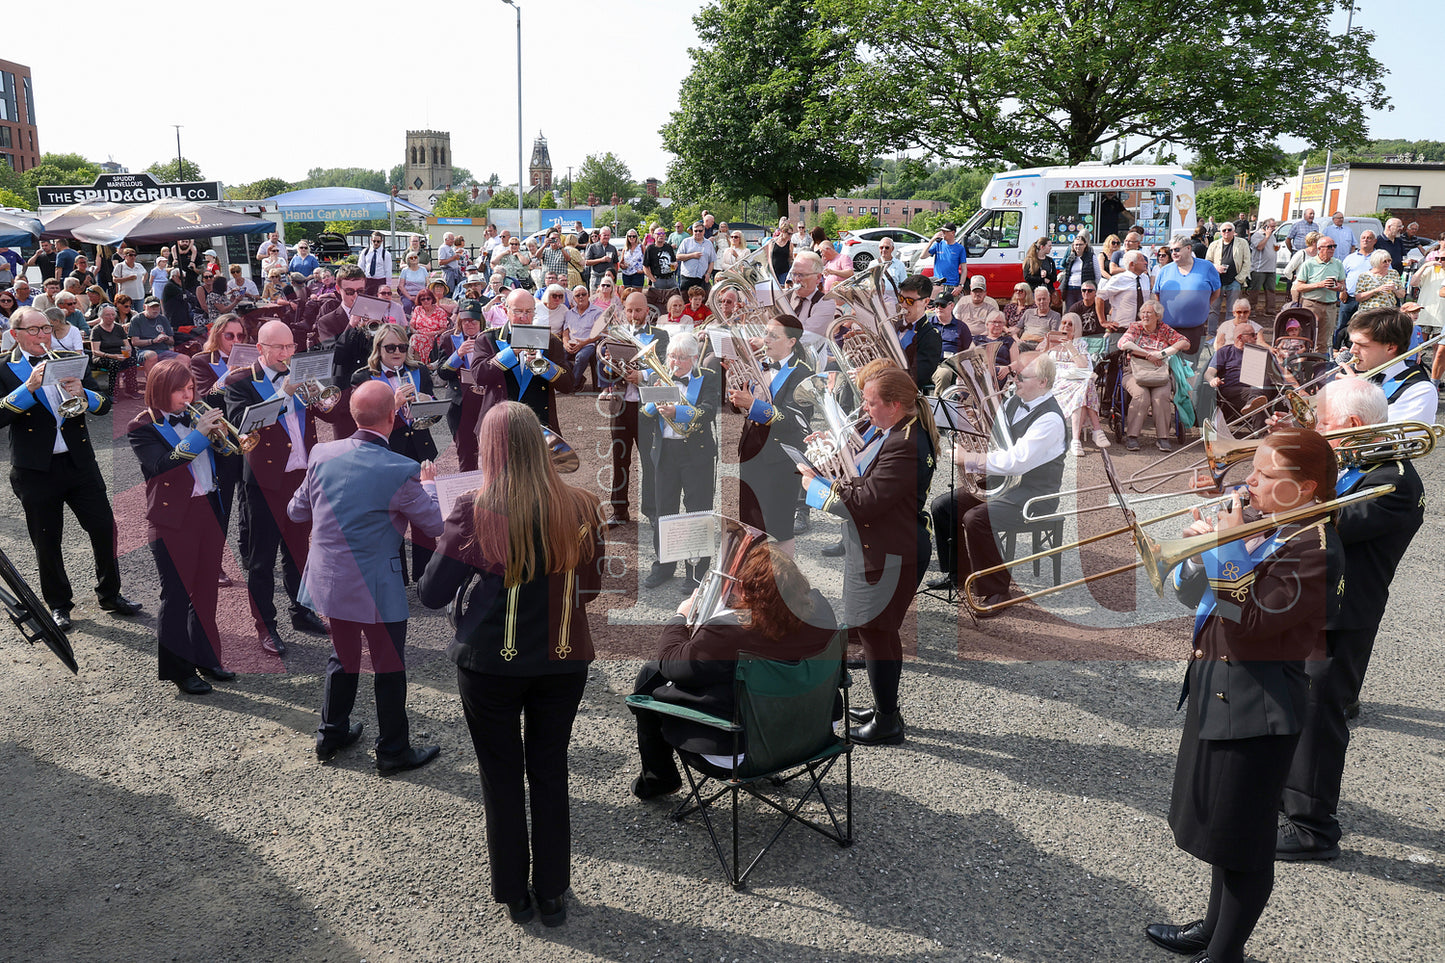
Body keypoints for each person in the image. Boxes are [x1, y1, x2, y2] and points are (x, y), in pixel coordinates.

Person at [1146, 428, 1342, 963]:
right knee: (1220, 832)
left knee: (1244, 845)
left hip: (1259, 708)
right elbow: (1196, 596)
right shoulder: (1266, 523)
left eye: (1264, 475)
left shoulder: (1315, 546)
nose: (1248, 482)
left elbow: (1252, 622)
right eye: (1252, 470)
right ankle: (1212, 931)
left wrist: (1229, 546)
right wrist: (1198, 550)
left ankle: (1225, 953)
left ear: (1303, 488)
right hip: (1220, 686)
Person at [417, 402, 605, 929]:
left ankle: (514, 894)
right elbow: (588, 589)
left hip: (490, 661)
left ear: (492, 450)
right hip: (562, 656)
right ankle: (551, 893)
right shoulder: (584, 505)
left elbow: (432, 594)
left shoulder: (475, 509)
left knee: (500, 775)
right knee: (549, 769)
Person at [1276, 379, 1424, 861]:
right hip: (1313, 603)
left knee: (1321, 718)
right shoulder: (1361, 462)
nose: (1316, 428)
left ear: (1354, 425)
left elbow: (1326, 524)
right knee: (1295, 706)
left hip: (1343, 615)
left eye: (1323, 421)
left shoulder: (1394, 481)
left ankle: (1313, 830)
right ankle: (1288, 794)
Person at [288, 380, 443, 773]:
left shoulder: (322, 453)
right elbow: (434, 523)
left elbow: (296, 512)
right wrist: (430, 487)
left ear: (355, 415)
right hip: (376, 583)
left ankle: (331, 732)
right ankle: (392, 749)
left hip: (328, 577)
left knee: (342, 658)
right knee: (389, 666)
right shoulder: (400, 468)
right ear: (393, 417)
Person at [630, 544, 836, 797]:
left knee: (650, 677)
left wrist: (680, 617)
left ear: (747, 590)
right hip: (815, 732)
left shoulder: (728, 634)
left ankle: (659, 780)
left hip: (741, 753)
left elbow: (672, 663)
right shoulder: (821, 611)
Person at [801, 364, 937, 745]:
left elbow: (864, 503)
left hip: (888, 552)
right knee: (880, 633)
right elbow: (863, 474)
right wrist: (829, 458)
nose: (864, 408)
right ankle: (884, 709)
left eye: (871, 402)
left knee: (878, 635)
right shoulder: (896, 430)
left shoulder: (905, 443)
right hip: (884, 546)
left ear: (895, 405)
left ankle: (888, 721)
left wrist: (815, 487)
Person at [0, 308, 141, 630]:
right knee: (47, 540)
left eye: (46, 329)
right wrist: (28, 389)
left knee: (104, 527)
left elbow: (104, 405)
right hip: (35, 469)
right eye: (34, 330)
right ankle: (59, 604)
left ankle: (110, 594)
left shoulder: (69, 357)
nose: (42, 336)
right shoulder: (6, 367)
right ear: (15, 333)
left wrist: (85, 393)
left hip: (79, 463)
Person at [222, 319, 340, 656]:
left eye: (290, 347)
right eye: (279, 348)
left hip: (301, 478)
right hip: (264, 482)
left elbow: (331, 415)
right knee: (261, 561)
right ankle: (266, 625)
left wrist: (320, 396)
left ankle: (301, 610)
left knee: (299, 551)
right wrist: (281, 393)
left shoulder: (300, 374)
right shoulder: (241, 380)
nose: (287, 354)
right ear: (260, 348)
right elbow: (241, 423)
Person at [126, 360, 235, 695]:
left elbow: (225, 459)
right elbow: (161, 466)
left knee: (206, 590)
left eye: (191, 388)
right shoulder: (142, 426)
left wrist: (223, 439)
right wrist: (201, 436)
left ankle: (206, 656)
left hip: (209, 508)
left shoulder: (197, 413)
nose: (188, 395)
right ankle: (178, 669)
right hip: (172, 519)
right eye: (180, 390)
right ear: (161, 390)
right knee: (175, 595)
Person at [927, 354, 1066, 604]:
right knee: (943, 506)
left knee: (976, 519)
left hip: (1035, 494)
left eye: (1021, 376)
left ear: (1043, 382)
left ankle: (997, 590)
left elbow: (1017, 460)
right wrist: (968, 422)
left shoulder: (1051, 419)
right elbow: (993, 437)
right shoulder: (1013, 400)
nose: (1014, 380)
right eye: (1014, 375)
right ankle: (960, 574)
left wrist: (970, 458)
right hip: (1006, 485)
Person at [350, 324, 440, 580]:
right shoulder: (364, 377)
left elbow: (434, 409)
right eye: (390, 347)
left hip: (420, 451)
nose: (397, 352)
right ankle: (395, 577)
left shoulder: (419, 370)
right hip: (386, 454)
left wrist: (427, 403)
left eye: (402, 346)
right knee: (390, 518)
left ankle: (427, 577)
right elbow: (363, 421)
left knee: (425, 515)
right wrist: (394, 404)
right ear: (378, 349)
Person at [641, 332, 719, 590]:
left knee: (697, 511)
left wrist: (679, 411)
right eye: (672, 356)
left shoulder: (706, 377)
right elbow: (645, 414)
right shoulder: (657, 376)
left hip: (697, 453)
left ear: (695, 359)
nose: (676, 363)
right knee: (665, 510)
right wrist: (653, 402)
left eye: (683, 358)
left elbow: (708, 411)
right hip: (665, 453)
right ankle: (664, 565)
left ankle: (696, 572)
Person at [727, 314, 811, 554]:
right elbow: (738, 405)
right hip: (752, 452)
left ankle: (782, 584)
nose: (766, 339)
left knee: (779, 525)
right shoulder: (757, 363)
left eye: (774, 336)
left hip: (781, 459)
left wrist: (753, 405)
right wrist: (738, 397)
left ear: (791, 342)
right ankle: (756, 576)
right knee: (751, 521)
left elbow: (796, 420)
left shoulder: (802, 372)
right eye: (766, 333)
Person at [597, 291, 669, 529]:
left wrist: (642, 376)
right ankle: (619, 511)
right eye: (629, 310)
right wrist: (608, 363)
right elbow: (605, 374)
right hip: (620, 405)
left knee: (651, 461)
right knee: (620, 460)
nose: (633, 315)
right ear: (624, 310)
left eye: (638, 310)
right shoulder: (617, 335)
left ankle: (652, 510)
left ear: (647, 311)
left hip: (647, 406)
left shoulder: (660, 335)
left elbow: (667, 367)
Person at [472, 289, 575, 434]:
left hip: (539, 426)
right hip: (498, 425)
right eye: (518, 311)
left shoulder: (550, 341)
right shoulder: (487, 339)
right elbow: (479, 377)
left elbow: (568, 385)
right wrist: (510, 353)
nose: (524, 317)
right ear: (505, 310)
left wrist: (545, 366)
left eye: (529, 311)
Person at [1340, 307, 1436, 423]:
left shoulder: (1421, 390)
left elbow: (1388, 437)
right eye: (1352, 343)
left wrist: (1358, 395)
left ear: (1390, 348)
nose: (1352, 350)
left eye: (1362, 345)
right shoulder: (1362, 373)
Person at [1117, 299, 1186, 452]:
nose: (1145, 315)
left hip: (1159, 373)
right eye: (1143, 312)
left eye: (1149, 312)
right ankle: (1132, 436)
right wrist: (1148, 355)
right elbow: (1123, 343)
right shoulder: (1135, 327)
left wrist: (1162, 353)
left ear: (1158, 316)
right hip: (1134, 372)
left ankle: (1163, 438)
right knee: (1141, 396)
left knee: (1161, 396)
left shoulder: (1164, 329)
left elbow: (1185, 342)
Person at [1040, 314, 1108, 454]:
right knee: (1085, 386)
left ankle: (1076, 440)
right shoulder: (1052, 341)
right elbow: (1040, 361)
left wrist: (1070, 346)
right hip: (1056, 379)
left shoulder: (1079, 343)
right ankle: (1096, 430)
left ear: (1075, 328)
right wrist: (1048, 343)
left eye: (1070, 324)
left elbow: (1083, 366)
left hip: (1076, 378)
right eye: (1063, 323)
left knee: (1084, 384)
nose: (1065, 326)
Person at [435, 304, 486, 470]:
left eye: (474, 320)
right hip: (460, 402)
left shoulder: (490, 337)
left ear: (481, 321)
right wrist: (457, 355)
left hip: (486, 401)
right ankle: (469, 493)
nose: (470, 324)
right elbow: (443, 374)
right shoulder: (449, 338)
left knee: (493, 451)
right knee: (466, 451)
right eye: (465, 321)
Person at [1155, 233, 1221, 359]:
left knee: (1190, 368)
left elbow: (1216, 293)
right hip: (1168, 330)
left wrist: (1202, 306)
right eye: (1172, 250)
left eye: (1177, 249)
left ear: (1188, 248)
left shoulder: (1206, 267)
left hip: (1194, 330)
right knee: (1166, 367)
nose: (1173, 253)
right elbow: (1157, 295)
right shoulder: (1165, 270)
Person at [1204, 324, 1266, 432]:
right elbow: (1208, 373)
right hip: (1233, 389)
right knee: (1258, 398)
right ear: (1240, 337)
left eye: (1256, 334)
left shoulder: (1258, 351)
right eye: (1252, 335)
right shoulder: (1225, 352)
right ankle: (1262, 435)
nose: (1256, 337)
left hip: (1257, 387)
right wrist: (1212, 380)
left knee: (1264, 392)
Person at [1292, 236, 1347, 350]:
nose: (1332, 249)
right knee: (1307, 337)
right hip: (1312, 304)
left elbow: (1343, 286)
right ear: (1319, 248)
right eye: (1329, 247)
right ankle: (1304, 363)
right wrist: (1319, 284)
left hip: (1330, 306)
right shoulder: (1309, 264)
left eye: (1334, 246)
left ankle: (1319, 365)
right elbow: (1299, 286)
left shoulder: (1337, 263)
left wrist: (1338, 287)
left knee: (1324, 341)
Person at [894, 275, 945, 388]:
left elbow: (916, 378)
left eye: (910, 301)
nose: (903, 305)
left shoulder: (931, 336)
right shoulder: (892, 326)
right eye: (901, 299)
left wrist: (875, 373)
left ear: (926, 301)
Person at [1206, 223, 1252, 337]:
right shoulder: (1214, 244)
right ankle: (1211, 334)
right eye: (1224, 230)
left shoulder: (1242, 243)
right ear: (1220, 232)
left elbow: (1247, 262)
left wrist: (1239, 279)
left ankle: (1230, 334)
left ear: (1234, 231)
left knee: (1233, 310)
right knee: (1213, 309)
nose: (1226, 232)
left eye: (1229, 230)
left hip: (1234, 281)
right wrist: (1216, 267)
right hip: (1217, 281)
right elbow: (1207, 262)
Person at [89, 304, 139, 400]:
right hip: (103, 356)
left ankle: (131, 390)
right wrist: (113, 356)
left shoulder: (119, 328)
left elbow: (127, 345)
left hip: (119, 354)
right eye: (107, 315)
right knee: (114, 363)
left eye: (113, 314)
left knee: (132, 361)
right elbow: (95, 351)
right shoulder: (97, 330)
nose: (111, 317)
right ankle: (112, 392)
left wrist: (127, 353)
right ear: (101, 316)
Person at [1247, 218, 1279, 317]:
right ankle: (1251, 309)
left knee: (1271, 290)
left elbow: (1273, 248)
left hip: (1271, 268)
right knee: (1255, 290)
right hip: (1259, 268)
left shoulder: (1273, 236)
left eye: (1275, 226)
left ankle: (1270, 309)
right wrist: (1267, 237)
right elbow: (1260, 247)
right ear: (1265, 226)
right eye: (1272, 226)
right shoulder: (1257, 235)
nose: (1274, 228)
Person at [1016, 285, 1061, 351]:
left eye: (1044, 299)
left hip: (1039, 344)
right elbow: (1016, 329)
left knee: (1019, 347)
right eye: (1039, 300)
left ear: (1049, 299)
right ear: (1035, 301)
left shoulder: (1055, 316)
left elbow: (1053, 335)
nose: (1042, 302)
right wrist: (1017, 339)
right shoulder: (1028, 312)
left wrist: (1043, 344)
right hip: (1023, 342)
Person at [677, 222, 716, 294]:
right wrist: (692, 255)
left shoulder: (709, 244)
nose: (698, 233)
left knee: (701, 301)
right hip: (687, 277)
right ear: (692, 231)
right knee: (685, 301)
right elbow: (678, 257)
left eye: (700, 231)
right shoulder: (686, 242)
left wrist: (708, 274)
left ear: (704, 231)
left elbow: (712, 261)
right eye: (695, 231)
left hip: (702, 278)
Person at [925, 222, 966, 290]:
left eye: (945, 232)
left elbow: (964, 269)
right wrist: (932, 241)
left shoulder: (960, 248)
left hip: (952, 285)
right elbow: (923, 256)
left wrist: (961, 285)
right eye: (942, 231)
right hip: (938, 283)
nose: (942, 233)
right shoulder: (938, 245)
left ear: (952, 233)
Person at [643, 225, 679, 295]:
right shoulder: (650, 249)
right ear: (654, 236)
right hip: (658, 280)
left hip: (671, 279)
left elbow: (673, 261)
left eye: (663, 234)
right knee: (659, 302)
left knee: (675, 298)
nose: (661, 235)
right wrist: (653, 279)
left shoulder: (668, 247)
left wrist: (675, 265)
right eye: (659, 234)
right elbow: (645, 267)